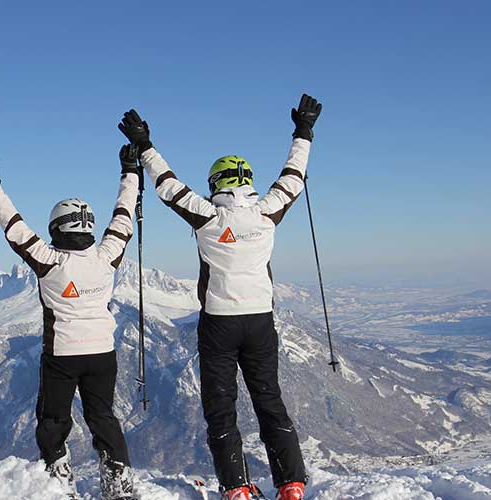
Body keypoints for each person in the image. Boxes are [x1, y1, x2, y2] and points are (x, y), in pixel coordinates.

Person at [116, 93, 322, 500]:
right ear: (248, 182)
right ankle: (292, 484)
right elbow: (294, 176)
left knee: (221, 409)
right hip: (261, 321)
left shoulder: (207, 217)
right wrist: (303, 131)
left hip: (219, 325)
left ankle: (237, 489)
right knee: (269, 401)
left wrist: (144, 145)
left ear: (216, 185)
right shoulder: (267, 214)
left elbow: (167, 185)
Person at [0, 146, 141, 500]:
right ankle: (119, 484)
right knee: (103, 417)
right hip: (102, 353)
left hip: (62, 356)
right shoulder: (106, 257)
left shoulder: (49, 261)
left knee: (53, 421)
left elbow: (12, 224)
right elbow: (124, 216)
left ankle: (57, 478)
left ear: (56, 228)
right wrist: (130, 170)